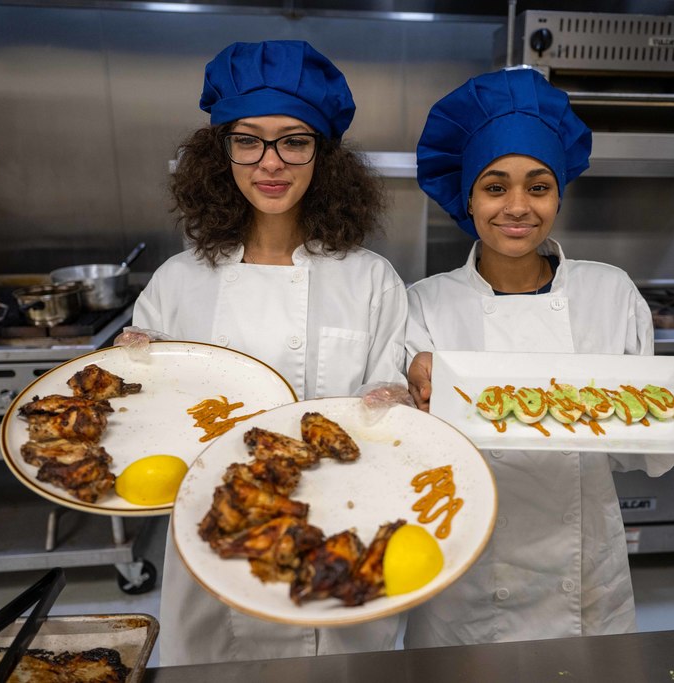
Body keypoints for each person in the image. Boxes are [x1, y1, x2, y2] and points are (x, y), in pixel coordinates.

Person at [403, 68, 674, 647]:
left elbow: (630, 449)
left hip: (582, 570)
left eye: (539, 186)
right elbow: (413, 448)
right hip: (468, 570)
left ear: (560, 193)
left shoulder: (611, 291)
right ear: (467, 197)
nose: (517, 207)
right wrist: (406, 397)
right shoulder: (426, 304)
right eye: (495, 187)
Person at [134, 40, 407, 665]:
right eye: (248, 140)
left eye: (294, 140)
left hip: (337, 522)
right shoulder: (178, 280)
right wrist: (134, 368)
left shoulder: (370, 280)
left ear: (324, 155)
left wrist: (396, 397)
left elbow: (389, 410)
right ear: (221, 151)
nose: (270, 162)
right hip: (211, 531)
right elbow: (147, 412)